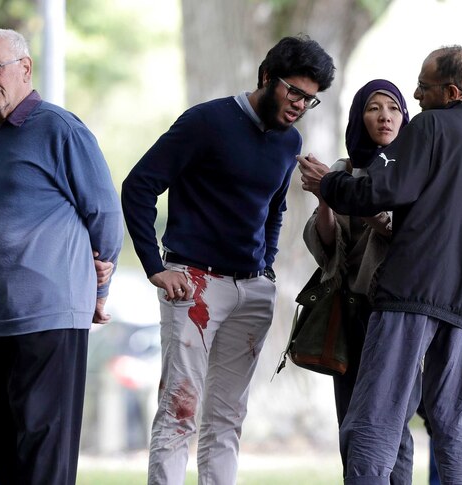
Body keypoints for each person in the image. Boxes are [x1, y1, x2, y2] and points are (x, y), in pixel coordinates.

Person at [298, 45, 462, 483]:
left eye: (423, 86)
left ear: (450, 90)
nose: (417, 95)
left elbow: (381, 190)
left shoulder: (428, 127)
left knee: (373, 423)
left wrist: (330, 184)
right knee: (456, 437)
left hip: (409, 296)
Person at [122, 35, 335, 485]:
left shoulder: (289, 140)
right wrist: (155, 267)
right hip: (193, 283)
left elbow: (275, 207)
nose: (299, 105)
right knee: (179, 411)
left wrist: (268, 265)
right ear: (266, 77)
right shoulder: (206, 122)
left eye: (310, 99)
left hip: (252, 290)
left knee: (226, 420)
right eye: (293, 92)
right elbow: (138, 185)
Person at [0, 28, 123, 485]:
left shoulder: (59, 127)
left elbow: (105, 215)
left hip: (49, 313)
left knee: (43, 456)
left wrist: (98, 291)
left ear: (25, 68)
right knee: (4, 451)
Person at [302, 79, 412, 483]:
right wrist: (326, 198)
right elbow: (328, 245)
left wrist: (353, 198)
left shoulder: (412, 170)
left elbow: (400, 232)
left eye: (394, 108)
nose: (385, 116)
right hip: (350, 310)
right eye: (374, 107)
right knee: (350, 424)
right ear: (358, 116)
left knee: (392, 428)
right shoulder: (343, 170)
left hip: (397, 312)